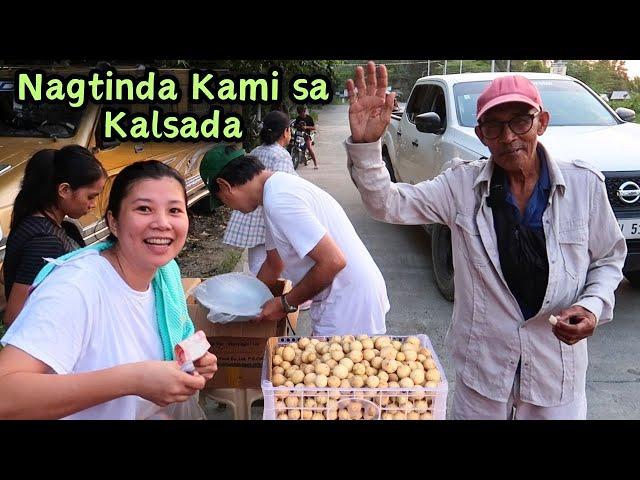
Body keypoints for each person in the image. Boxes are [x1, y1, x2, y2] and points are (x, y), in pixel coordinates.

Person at [344, 61, 626, 420]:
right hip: (483, 374)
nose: (508, 137)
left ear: (542, 122)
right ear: (481, 135)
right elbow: (388, 203)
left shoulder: (585, 186)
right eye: (494, 126)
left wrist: (592, 306)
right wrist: (367, 147)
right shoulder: (460, 185)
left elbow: (608, 258)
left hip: (557, 375)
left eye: (520, 121)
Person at [0, 160, 217, 419]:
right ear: (113, 222)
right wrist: (133, 380)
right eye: (144, 209)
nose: (162, 223)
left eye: (174, 210)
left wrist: (189, 362)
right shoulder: (76, 286)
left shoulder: (164, 275)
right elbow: (5, 396)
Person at [201, 148, 390, 336]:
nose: (231, 208)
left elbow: (334, 261)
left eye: (223, 201)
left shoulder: (279, 200)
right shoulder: (275, 191)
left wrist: (285, 303)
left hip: (348, 302)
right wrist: (246, 303)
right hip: (347, 294)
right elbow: (274, 263)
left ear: (225, 185)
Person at [2, 146, 107, 327]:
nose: (93, 204)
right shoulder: (46, 241)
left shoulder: (34, 220)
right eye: (91, 196)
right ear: (64, 190)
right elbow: (14, 317)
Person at [217, 111, 298, 275]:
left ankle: (257, 287)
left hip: (251, 213)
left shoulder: (256, 151)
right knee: (275, 259)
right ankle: (267, 292)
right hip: (270, 215)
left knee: (256, 260)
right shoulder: (281, 155)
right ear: (285, 131)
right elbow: (285, 189)